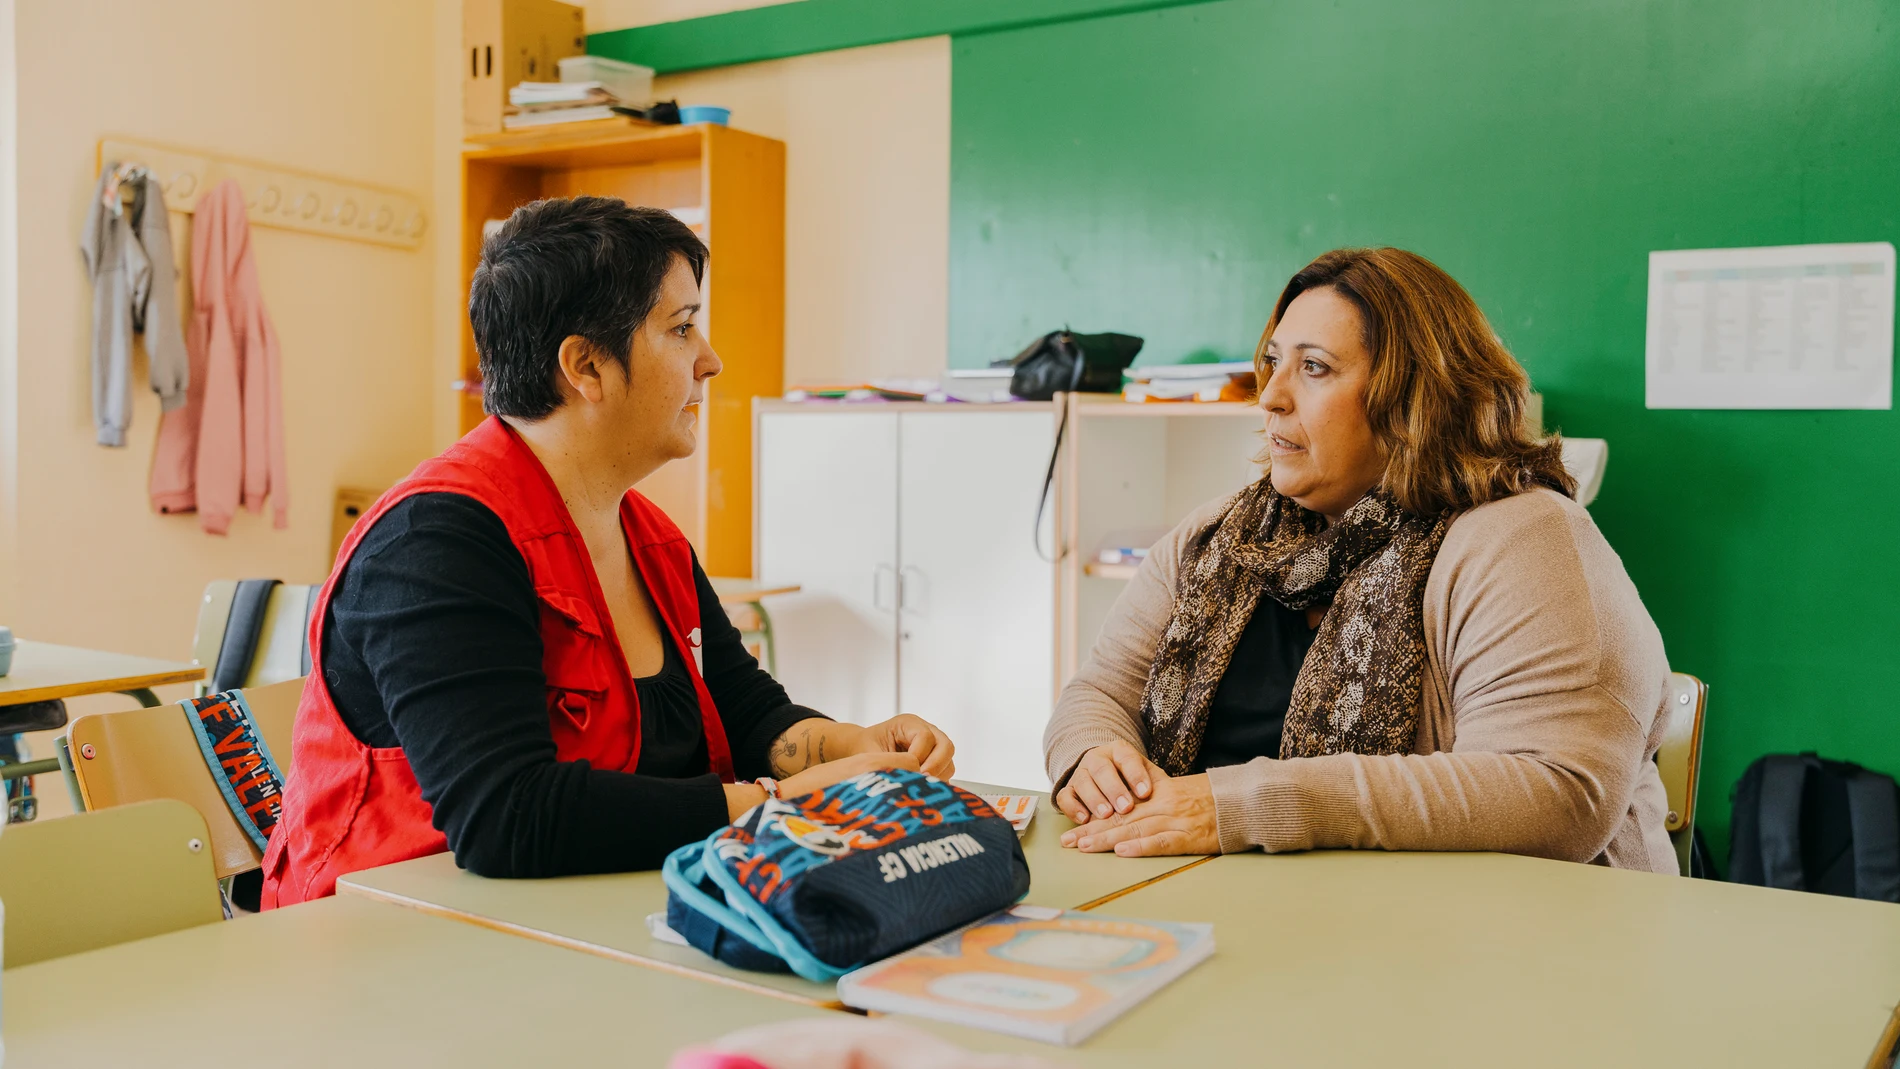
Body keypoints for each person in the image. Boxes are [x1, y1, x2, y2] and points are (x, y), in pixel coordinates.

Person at [262, 197, 953, 907]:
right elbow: (507, 816)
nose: (710, 361)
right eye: (682, 329)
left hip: (577, 929)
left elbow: (744, 714)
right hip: (390, 951)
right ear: (585, 365)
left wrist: (845, 746)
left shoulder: (649, 535)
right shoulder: (434, 543)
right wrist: (778, 801)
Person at [1044, 247, 1676, 873]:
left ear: (1414, 398)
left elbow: (1555, 796)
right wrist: (1095, 756)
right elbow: (1099, 693)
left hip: (1505, 941)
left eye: (1314, 368)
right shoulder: (1218, 534)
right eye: (1273, 361)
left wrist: (1242, 808)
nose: (1271, 397)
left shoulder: (1527, 535)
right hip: (1263, 916)